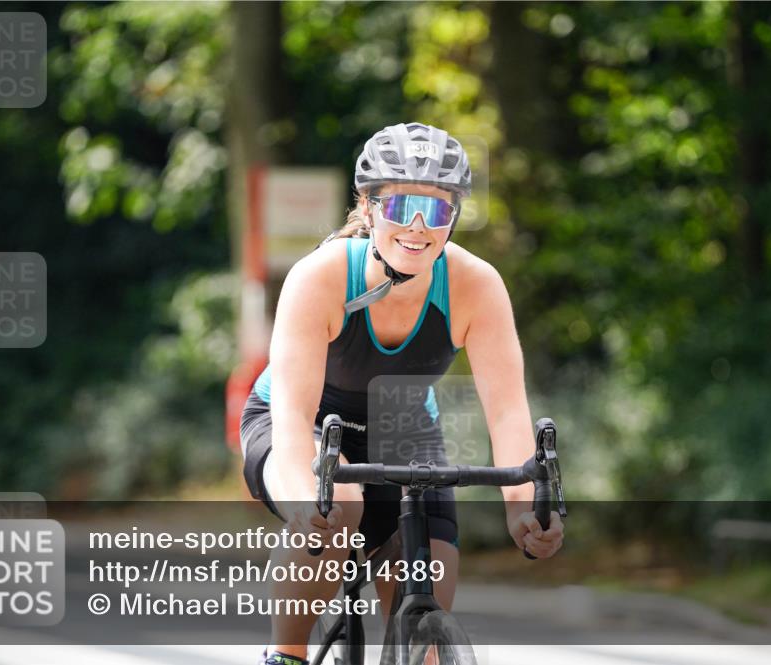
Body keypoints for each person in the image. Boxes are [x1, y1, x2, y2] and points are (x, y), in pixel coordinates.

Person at [240, 122, 564, 665]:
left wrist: (521, 509)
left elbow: (507, 411)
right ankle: (287, 652)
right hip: (298, 420)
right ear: (368, 209)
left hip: (405, 428)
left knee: (427, 604)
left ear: (454, 219)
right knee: (335, 503)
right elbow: (293, 415)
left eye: (437, 211)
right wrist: (303, 496)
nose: (417, 227)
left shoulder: (475, 285)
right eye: (401, 207)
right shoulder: (318, 277)